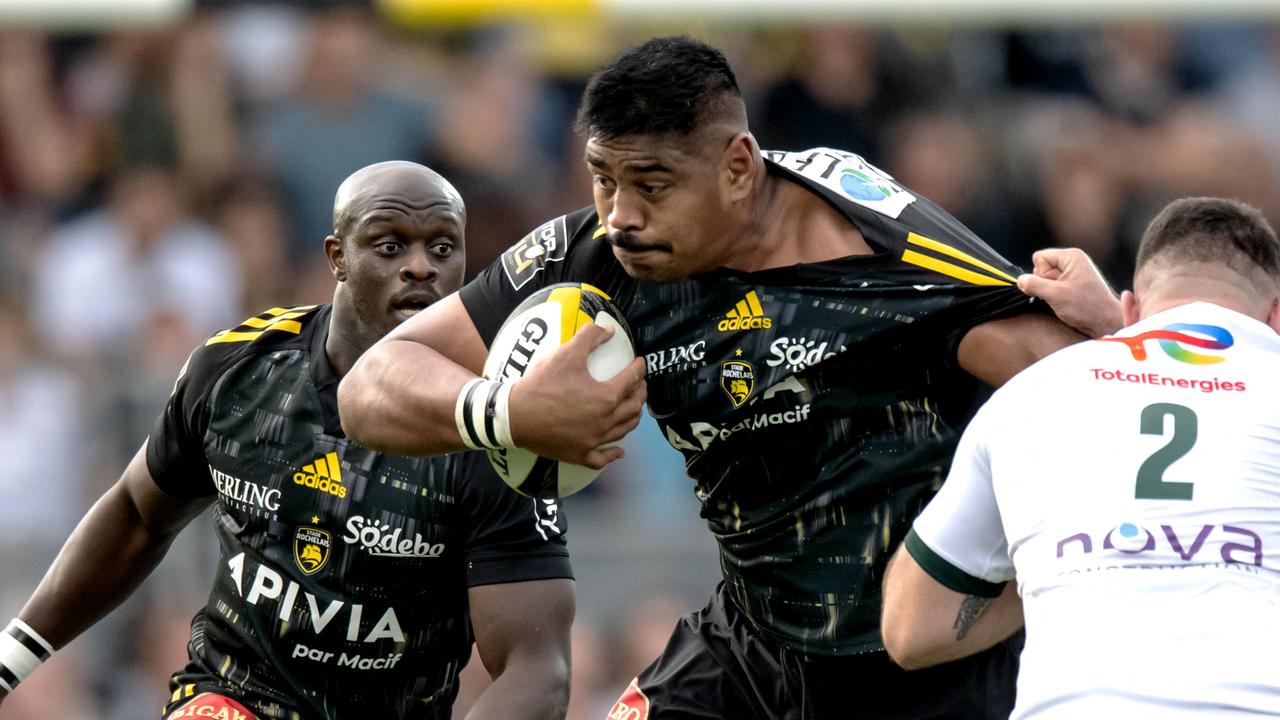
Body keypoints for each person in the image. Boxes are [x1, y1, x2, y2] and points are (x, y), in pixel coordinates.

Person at [337, 37, 1118, 719]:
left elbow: (1096, 396)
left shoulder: (890, 262)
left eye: (651, 184)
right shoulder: (597, 255)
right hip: (751, 651)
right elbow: (372, 384)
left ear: (738, 167)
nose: (620, 215)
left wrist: (1120, 332)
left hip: (930, 676)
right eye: (602, 179)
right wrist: (502, 411)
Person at [0, 161, 575, 720]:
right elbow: (136, 514)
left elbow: (536, 668)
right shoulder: (237, 369)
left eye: (443, 248)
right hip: (230, 699)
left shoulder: (492, 433)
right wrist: (8, 664)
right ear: (337, 257)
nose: (421, 267)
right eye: (390, 245)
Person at [881, 197, 1280, 718]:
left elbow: (912, 628)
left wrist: (1064, 563)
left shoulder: (1031, 395)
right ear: (1276, 315)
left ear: (1133, 308)